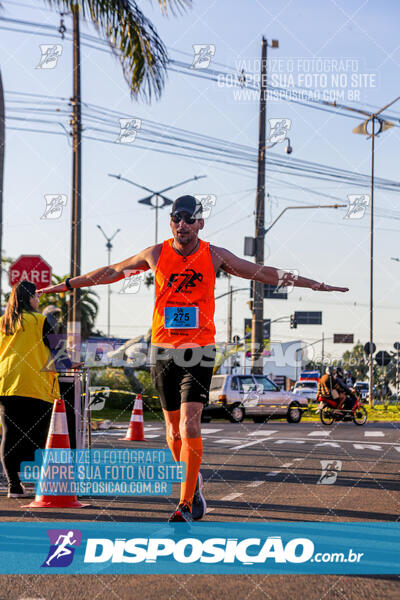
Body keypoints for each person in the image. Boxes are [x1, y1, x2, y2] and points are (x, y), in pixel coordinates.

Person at [39, 194, 349, 521]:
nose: (182, 225)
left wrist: (315, 284)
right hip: (162, 351)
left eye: (189, 218)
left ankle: (186, 503)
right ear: (171, 222)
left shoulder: (214, 255)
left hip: (199, 350)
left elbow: (261, 272)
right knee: (173, 433)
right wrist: (64, 286)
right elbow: (113, 271)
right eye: (176, 218)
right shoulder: (155, 254)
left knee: (190, 422)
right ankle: (194, 481)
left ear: (200, 222)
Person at [0, 281, 60, 497]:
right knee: (40, 435)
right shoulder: (40, 320)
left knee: (10, 434)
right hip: (35, 385)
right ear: (30, 298)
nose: (38, 299)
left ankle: (13, 485)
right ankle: (39, 484)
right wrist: (71, 364)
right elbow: (58, 349)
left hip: (7, 385)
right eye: (36, 295)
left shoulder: (3, 322)